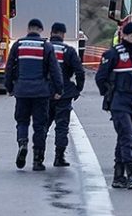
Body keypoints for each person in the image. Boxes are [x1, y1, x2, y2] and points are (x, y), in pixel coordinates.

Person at [5, 18, 63, 171]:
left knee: (22, 121)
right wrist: (58, 90)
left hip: (22, 91)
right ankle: (38, 160)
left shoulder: (18, 45)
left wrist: (9, 87)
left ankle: (22, 143)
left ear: (28, 29)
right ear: (40, 30)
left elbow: (9, 67)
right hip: (41, 93)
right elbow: (55, 71)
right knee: (40, 126)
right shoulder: (46, 46)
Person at [96, 21, 132, 189]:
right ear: (124, 36)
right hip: (119, 101)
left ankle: (118, 176)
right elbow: (100, 78)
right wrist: (109, 95)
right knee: (126, 137)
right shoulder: (113, 54)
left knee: (126, 138)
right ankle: (131, 175)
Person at [45, 22, 85, 167]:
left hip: (44, 93)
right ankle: (59, 157)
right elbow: (80, 71)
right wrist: (78, 89)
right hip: (64, 93)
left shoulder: (43, 49)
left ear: (51, 32)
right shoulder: (68, 51)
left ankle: (38, 157)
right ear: (62, 34)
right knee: (61, 126)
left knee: (42, 125)